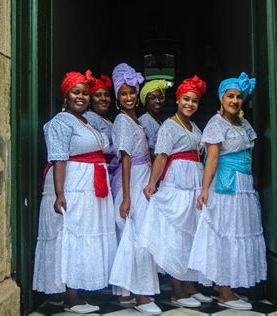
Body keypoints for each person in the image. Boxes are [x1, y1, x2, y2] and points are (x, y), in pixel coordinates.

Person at [33, 70, 117, 314]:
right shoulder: (60, 122)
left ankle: (77, 292)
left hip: (90, 184)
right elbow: (58, 158)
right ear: (66, 95)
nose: (81, 97)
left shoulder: (86, 121)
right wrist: (60, 193)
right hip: (73, 183)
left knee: (85, 234)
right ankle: (70, 297)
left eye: (84, 93)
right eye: (75, 92)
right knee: (71, 235)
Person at [189, 72, 267, 311]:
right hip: (226, 187)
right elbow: (211, 160)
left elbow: (249, 152)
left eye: (238, 97)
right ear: (221, 98)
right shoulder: (216, 124)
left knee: (240, 231)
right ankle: (224, 291)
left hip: (243, 185)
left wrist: (252, 175)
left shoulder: (243, 123)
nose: (234, 100)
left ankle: (226, 286)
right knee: (227, 234)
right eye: (230, 96)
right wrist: (204, 190)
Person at [140, 76, 212, 308]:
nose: (190, 104)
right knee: (177, 235)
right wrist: (153, 183)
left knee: (192, 233)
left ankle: (190, 285)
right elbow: (161, 156)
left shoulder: (194, 126)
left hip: (193, 182)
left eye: (195, 101)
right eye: (186, 99)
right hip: (177, 183)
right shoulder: (169, 126)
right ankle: (177, 290)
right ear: (178, 100)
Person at [108, 63, 162, 315]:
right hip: (132, 181)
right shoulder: (121, 120)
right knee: (137, 235)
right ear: (117, 96)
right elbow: (126, 158)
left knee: (140, 234)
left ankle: (128, 292)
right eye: (123, 93)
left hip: (142, 177)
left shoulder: (134, 120)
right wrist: (127, 197)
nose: (128, 97)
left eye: (132, 92)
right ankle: (141, 295)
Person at [83, 73, 115, 163]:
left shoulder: (106, 119)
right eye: (98, 95)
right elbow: (99, 147)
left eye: (106, 95)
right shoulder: (89, 117)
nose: (103, 98)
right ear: (90, 100)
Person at [138, 80, 169, 159]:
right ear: (145, 100)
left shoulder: (158, 121)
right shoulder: (145, 120)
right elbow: (150, 151)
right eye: (153, 98)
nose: (158, 101)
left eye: (161, 98)